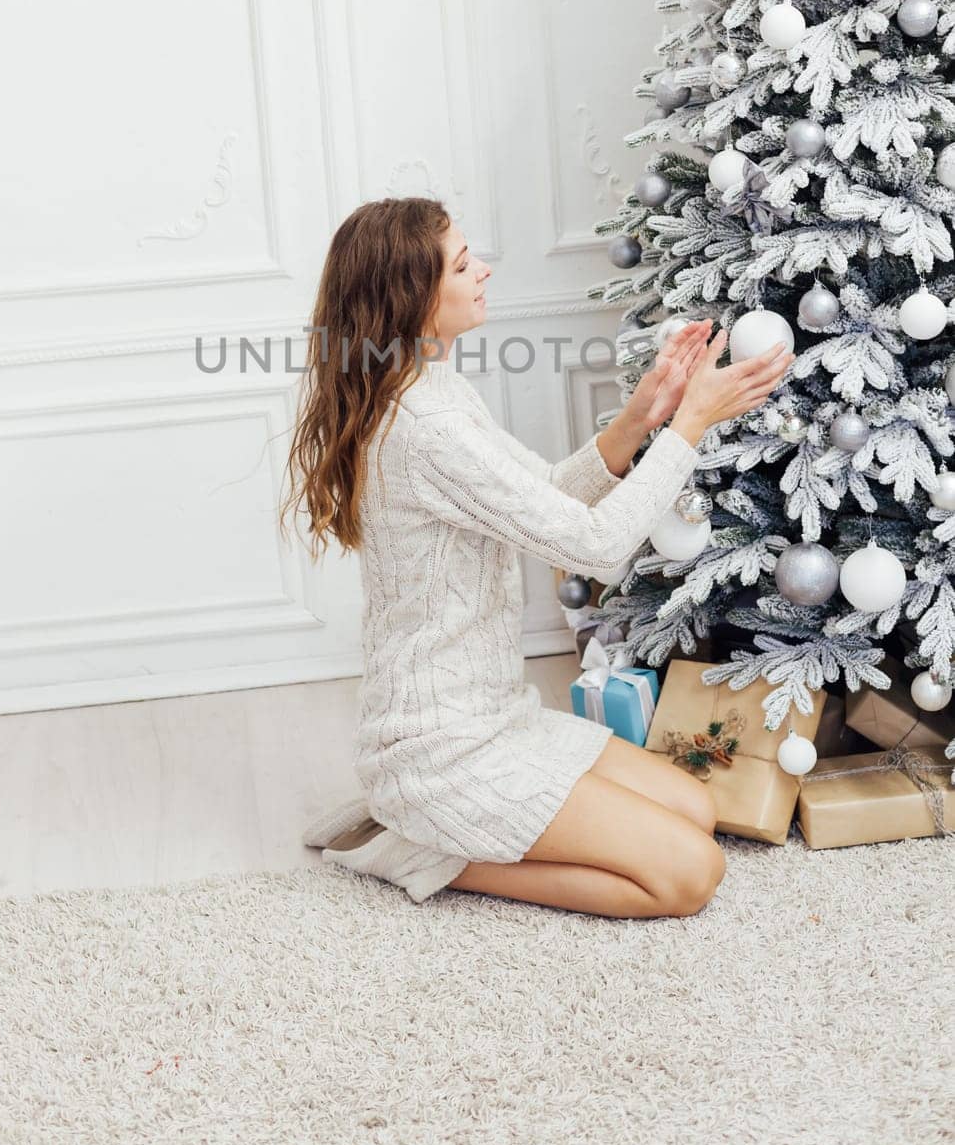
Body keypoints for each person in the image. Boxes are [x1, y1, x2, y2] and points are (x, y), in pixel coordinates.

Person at [281, 197, 794, 915]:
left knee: (694, 809)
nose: (482, 270)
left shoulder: (432, 388)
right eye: (462, 265)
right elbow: (597, 545)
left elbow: (549, 495)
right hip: (441, 752)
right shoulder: (423, 426)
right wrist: (690, 424)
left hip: (496, 717)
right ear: (411, 298)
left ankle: (435, 830)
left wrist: (642, 417)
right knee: (687, 876)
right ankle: (420, 852)